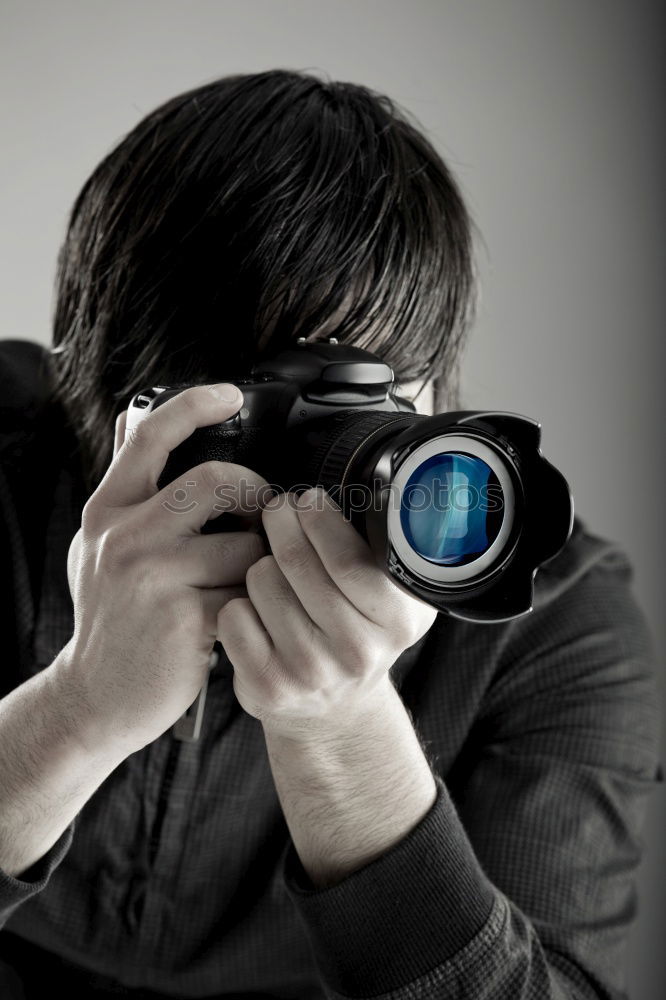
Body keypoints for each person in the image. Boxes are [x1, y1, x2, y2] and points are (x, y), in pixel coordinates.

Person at [0, 68, 662, 1000]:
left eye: (365, 403)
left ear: (438, 392)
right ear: (105, 397)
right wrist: (73, 710)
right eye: (263, 419)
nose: (312, 473)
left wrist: (347, 734)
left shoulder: (551, 623)